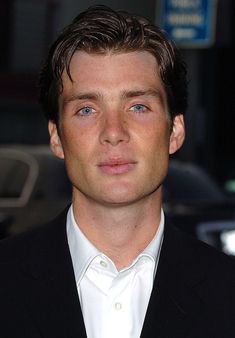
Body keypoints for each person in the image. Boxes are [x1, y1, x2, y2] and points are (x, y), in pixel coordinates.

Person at [0, 5, 234, 338]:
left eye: (138, 106)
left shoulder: (227, 292)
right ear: (56, 137)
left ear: (176, 130)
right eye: (86, 109)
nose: (113, 131)